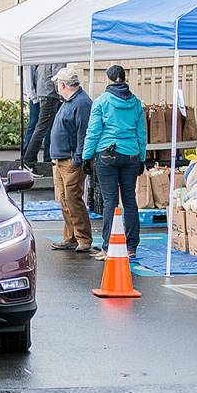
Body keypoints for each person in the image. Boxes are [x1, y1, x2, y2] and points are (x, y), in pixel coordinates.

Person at [83, 65, 146, 260]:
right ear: (124, 79)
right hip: (131, 155)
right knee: (130, 200)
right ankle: (131, 246)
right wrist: (142, 157)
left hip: (107, 154)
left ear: (108, 80)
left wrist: (87, 156)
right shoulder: (136, 103)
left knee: (110, 201)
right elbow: (141, 133)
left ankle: (107, 246)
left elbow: (93, 131)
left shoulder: (101, 102)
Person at [47, 67, 95, 254]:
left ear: (63, 84)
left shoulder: (81, 103)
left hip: (70, 160)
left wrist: (78, 158)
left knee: (72, 199)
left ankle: (83, 237)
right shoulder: (71, 101)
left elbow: (83, 133)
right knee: (65, 200)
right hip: (62, 159)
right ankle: (71, 237)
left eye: (58, 84)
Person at [21, 63, 65, 173]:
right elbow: (58, 76)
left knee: (40, 127)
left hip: (43, 91)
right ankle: (29, 160)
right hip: (50, 93)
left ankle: (30, 159)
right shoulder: (58, 54)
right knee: (42, 128)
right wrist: (62, 95)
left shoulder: (46, 54)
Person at [21, 66, 43, 160]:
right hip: (36, 96)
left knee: (35, 124)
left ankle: (27, 154)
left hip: (38, 94)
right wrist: (33, 96)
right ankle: (27, 154)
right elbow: (29, 76)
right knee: (34, 124)